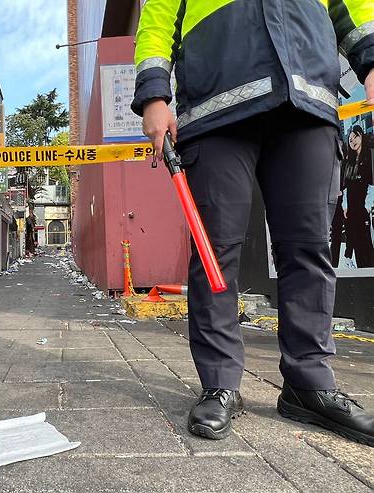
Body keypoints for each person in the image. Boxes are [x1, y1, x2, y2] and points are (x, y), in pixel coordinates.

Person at [133, 1, 374, 446]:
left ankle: (309, 384)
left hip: (306, 100)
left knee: (309, 248)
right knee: (214, 253)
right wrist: (153, 94)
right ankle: (220, 381)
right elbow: (158, 16)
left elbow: (355, 5)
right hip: (216, 108)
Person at [343, 125, 374, 267]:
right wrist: (345, 206)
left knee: (365, 241)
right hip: (351, 208)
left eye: (355, 136)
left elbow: (372, 184)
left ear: (361, 136)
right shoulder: (349, 162)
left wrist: (367, 206)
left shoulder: (369, 157)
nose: (353, 140)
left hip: (363, 208)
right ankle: (359, 266)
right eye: (350, 139)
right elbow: (345, 187)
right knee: (354, 239)